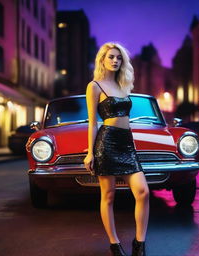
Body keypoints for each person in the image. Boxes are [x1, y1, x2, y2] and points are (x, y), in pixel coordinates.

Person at [84, 42, 149, 256]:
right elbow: (93, 122)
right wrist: (90, 152)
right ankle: (114, 244)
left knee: (142, 192)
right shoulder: (94, 86)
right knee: (108, 195)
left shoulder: (124, 85)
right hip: (107, 142)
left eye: (118, 58)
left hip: (126, 142)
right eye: (111, 57)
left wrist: (131, 143)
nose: (115, 60)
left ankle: (139, 244)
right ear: (102, 60)